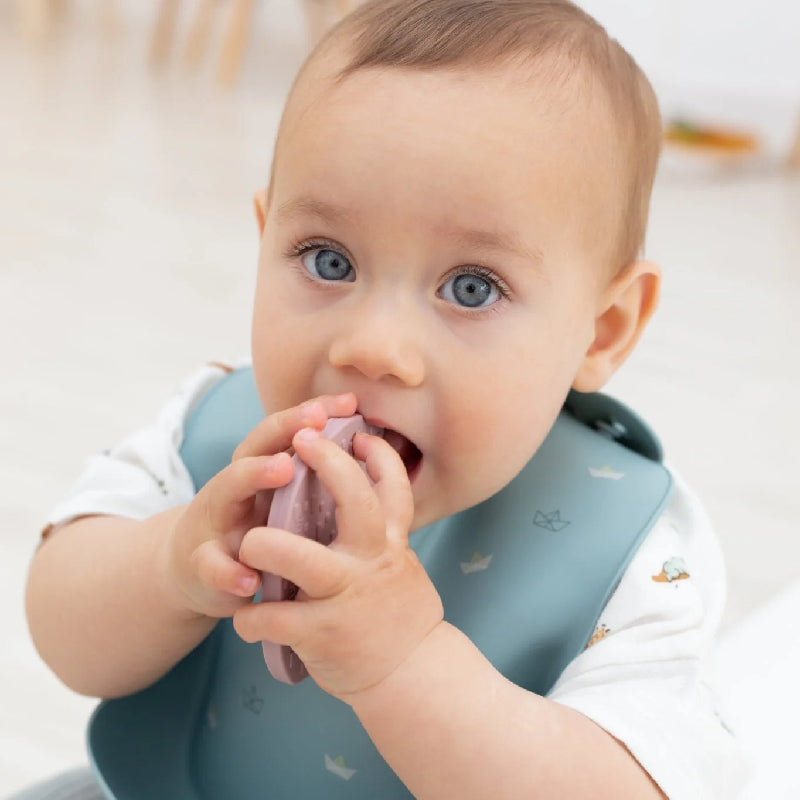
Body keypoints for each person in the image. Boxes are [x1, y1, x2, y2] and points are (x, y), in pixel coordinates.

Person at [19, 1, 744, 798]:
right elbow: (64, 636)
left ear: (601, 329)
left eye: (472, 287)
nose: (371, 346)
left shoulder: (627, 546)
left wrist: (403, 661)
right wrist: (168, 568)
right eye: (328, 261)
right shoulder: (214, 433)